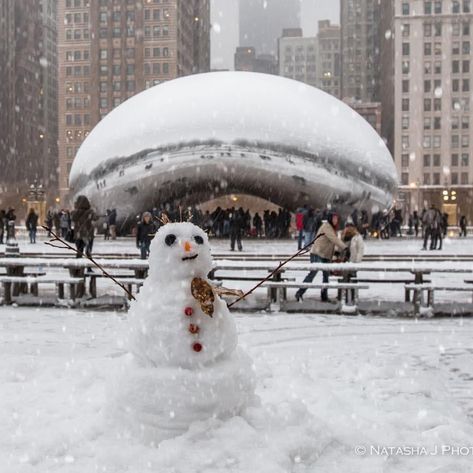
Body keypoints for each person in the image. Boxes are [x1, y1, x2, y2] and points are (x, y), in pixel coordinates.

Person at [295, 212, 347, 302]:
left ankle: (324, 295)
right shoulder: (326, 226)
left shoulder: (332, 228)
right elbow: (333, 239)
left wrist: (337, 252)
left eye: (336, 219)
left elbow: (331, 243)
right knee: (312, 274)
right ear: (330, 219)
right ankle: (299, 293)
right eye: (334, 218)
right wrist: (345, 248)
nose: (335, 220)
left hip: (325, 255)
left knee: (326, 276)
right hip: (317, 253)